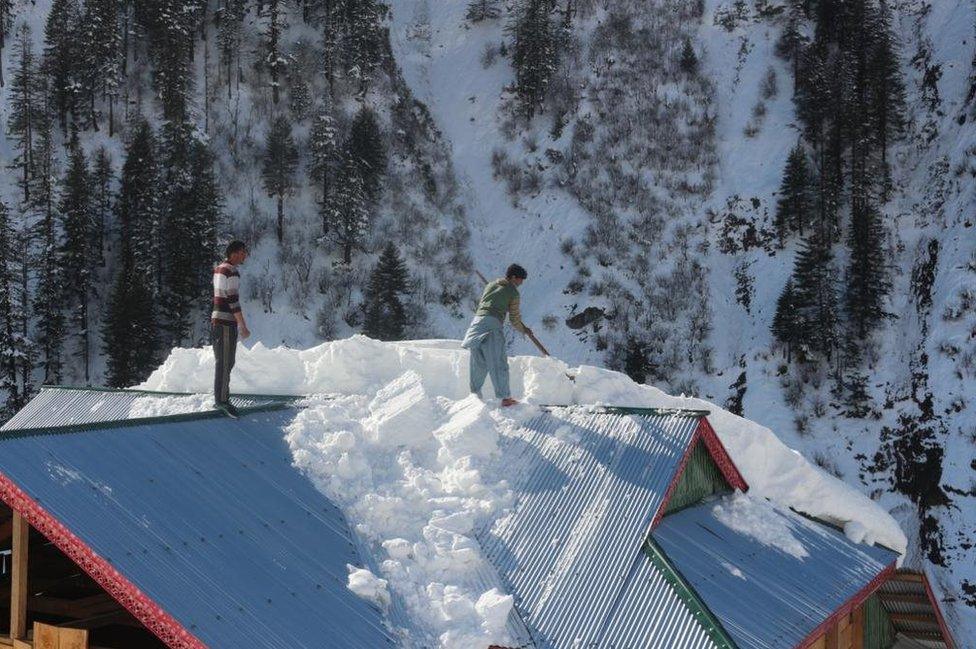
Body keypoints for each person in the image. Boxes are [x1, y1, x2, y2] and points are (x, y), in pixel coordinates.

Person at [462, 264, 533, 407]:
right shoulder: (513, 292)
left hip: (475, 325)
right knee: (498, 363)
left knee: (478, 363)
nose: (521, 283)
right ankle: (505, 398)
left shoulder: (490, 285)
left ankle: (475, 394)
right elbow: (514, 319)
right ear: (513, 277)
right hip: (492, 327)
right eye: (520, 279)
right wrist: (524, 330)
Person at [212, 240, 250, 417]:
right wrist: (242, 325)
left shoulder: (219, 268)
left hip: (217, 320)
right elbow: (233, 300)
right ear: (234, 253)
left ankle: (221, 397)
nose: (245, 255)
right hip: (226, 323)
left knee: (224, 360)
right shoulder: (232, 271)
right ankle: (222, 400)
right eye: (242, 252)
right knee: (226, 361)